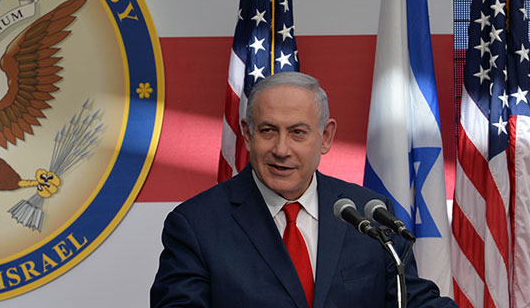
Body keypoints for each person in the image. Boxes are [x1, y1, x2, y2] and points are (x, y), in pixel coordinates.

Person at [150, 72, 457, 307]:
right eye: (268, 131)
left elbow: (412, 300)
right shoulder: (196, 224)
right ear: (247, 134)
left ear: (325, 137)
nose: (281, 149)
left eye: (297, 132)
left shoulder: (369, 214)